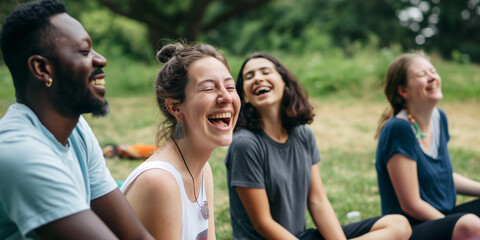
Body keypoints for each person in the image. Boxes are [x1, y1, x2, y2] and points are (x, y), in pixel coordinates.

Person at [0, 0, 154, 239]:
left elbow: (136, 236)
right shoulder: (20, 153)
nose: (101, 60)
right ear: (42, 68)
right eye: (84, 51)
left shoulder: (76, 129)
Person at [225, 52, 412, 240]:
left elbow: (317, 201)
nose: (258, 78)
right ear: (245, 97)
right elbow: (263, 223)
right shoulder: (245, 144)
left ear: (285, 84)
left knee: (398, 225)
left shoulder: (303, 134)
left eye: (265, 72)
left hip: (299, 236)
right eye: (249, 77)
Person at [120, 42, 240, 240]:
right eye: (209, 88)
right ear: (175, 108)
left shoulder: (203, 171)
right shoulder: (160, 183)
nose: (226, 97)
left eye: (230, 86)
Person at [375, 52, 480, 239]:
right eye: (422, 75)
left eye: (433, 71)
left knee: (468, 223)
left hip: (443, 217)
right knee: (469, 225)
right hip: (410, 229)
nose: (432, 77)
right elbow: (411, 204)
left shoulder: (439, 118)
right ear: (403, 91)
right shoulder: (398, 129)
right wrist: (451, 225)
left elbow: (441, 176)